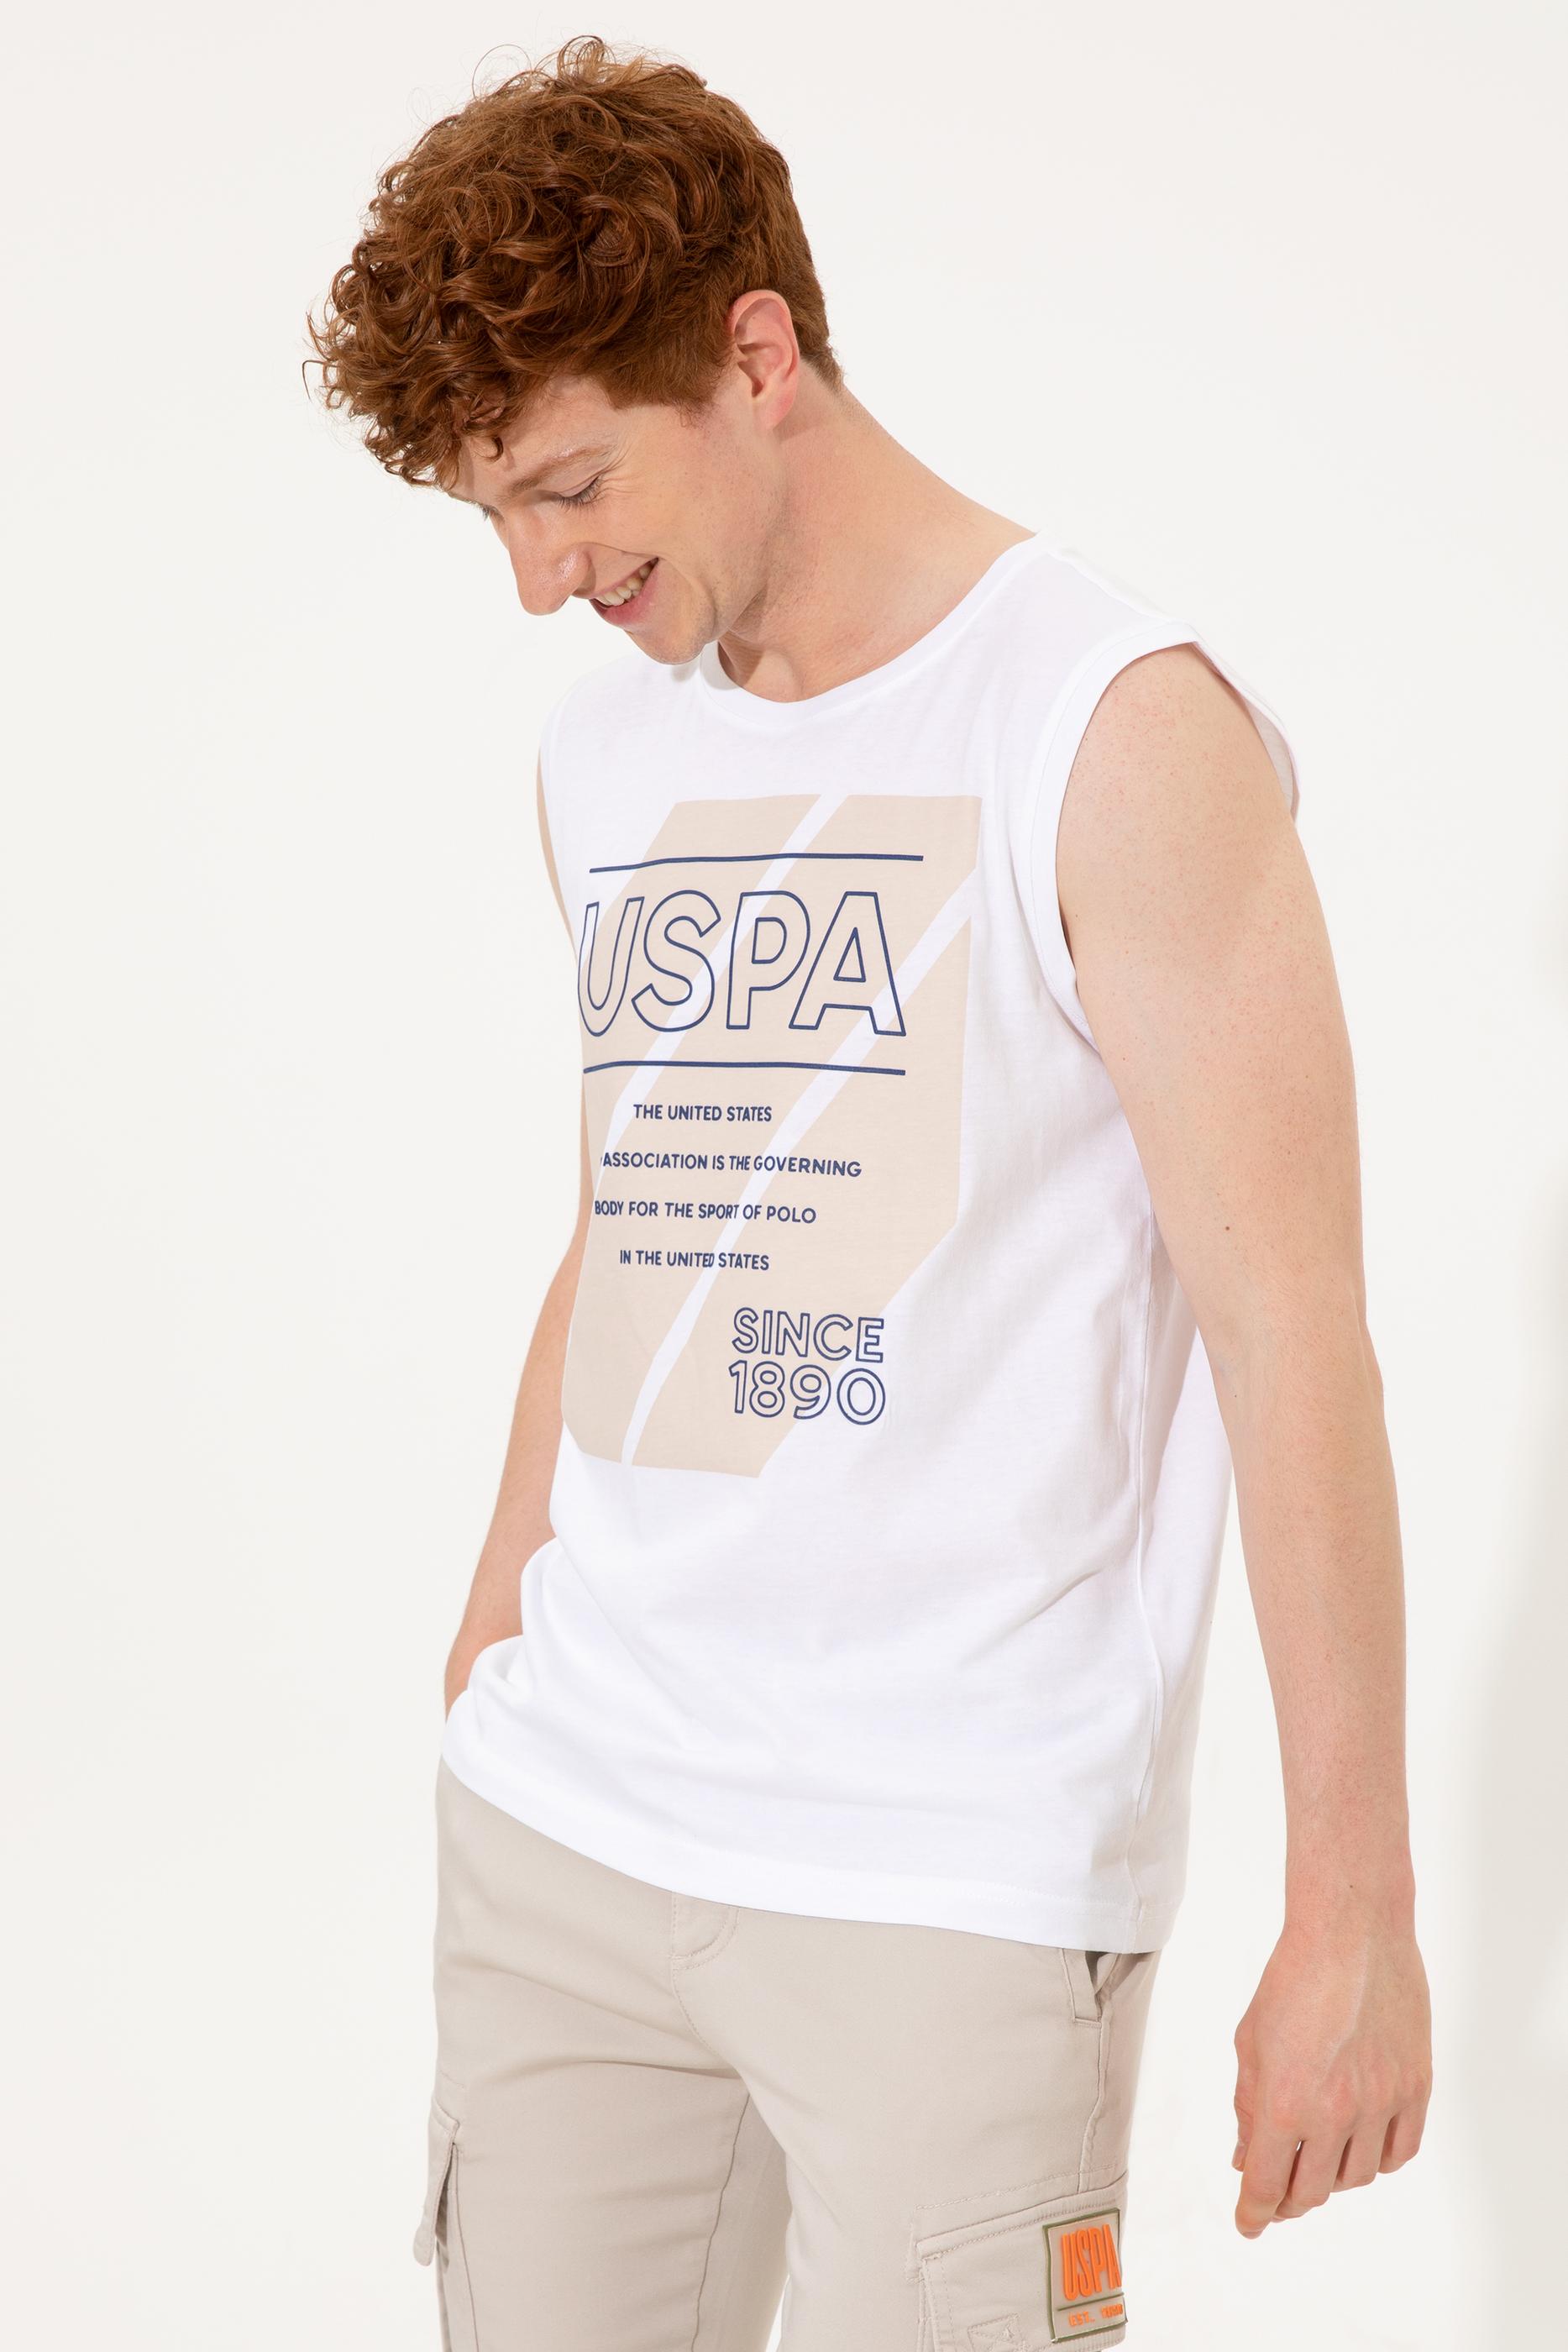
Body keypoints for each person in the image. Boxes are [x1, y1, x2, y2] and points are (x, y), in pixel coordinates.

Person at [310, 33, 1431, 2350]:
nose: (537, 578)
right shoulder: (608, 745)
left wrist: (1353, 1906)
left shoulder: (1108, 725)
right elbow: (635, 1214)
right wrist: (494, 1630)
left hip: (950, 1874)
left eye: (567, 484)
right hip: (570, 1834)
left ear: (756, 355)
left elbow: (1288, 1330)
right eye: (492, 515)